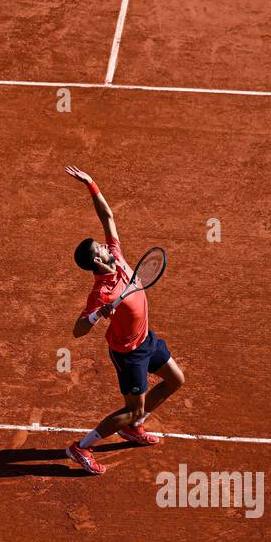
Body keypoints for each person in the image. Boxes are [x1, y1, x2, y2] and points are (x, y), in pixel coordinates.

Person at [63, 165, 185, 475]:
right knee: (133, 409)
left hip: (148, 339)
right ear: (96, 260)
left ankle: (134, 427)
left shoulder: (116, 257)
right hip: (129, 353)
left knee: (175, 380)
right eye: (101, 248)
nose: (107, 246)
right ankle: (82, 446)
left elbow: (108, 218)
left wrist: (92, 183)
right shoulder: (101, 292)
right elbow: (78, 331)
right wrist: (95, 315)